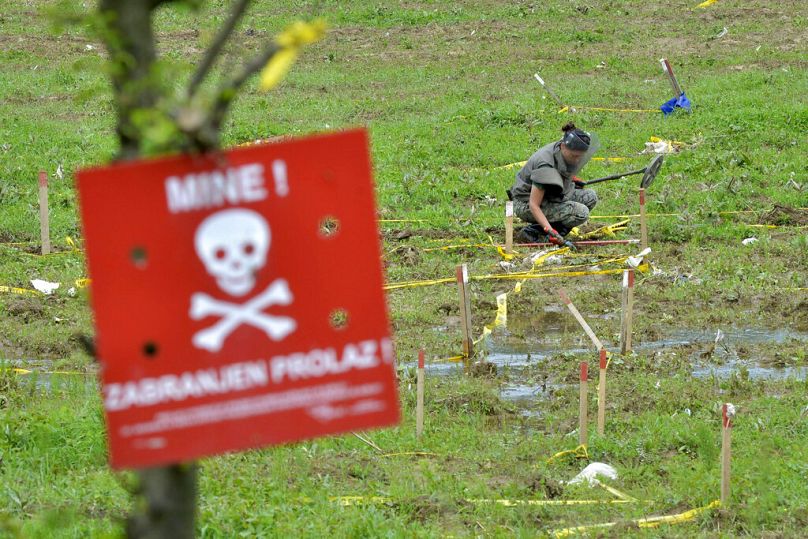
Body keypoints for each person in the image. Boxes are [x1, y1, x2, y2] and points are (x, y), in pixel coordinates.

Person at [509, 122, 599, 245]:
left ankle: (552, 229)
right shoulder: (545, 164)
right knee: (580, 213)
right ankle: (535, 232)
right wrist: (551, 231)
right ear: (563, 146)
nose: (577, 160)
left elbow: (560, 170)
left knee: (590, 197)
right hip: (525, 203)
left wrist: (571, 179)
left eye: (580, 157)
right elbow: (534, 205)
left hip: (549, 195)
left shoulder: (562, 150)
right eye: (574, 156)